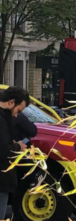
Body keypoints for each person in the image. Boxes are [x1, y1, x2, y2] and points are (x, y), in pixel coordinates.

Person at [0, 87, 28, 220]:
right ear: (11, 102)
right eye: (18, 111)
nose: (16, 115)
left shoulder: (5, 119)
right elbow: (4, 150)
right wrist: (18, 146)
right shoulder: (2, 120)